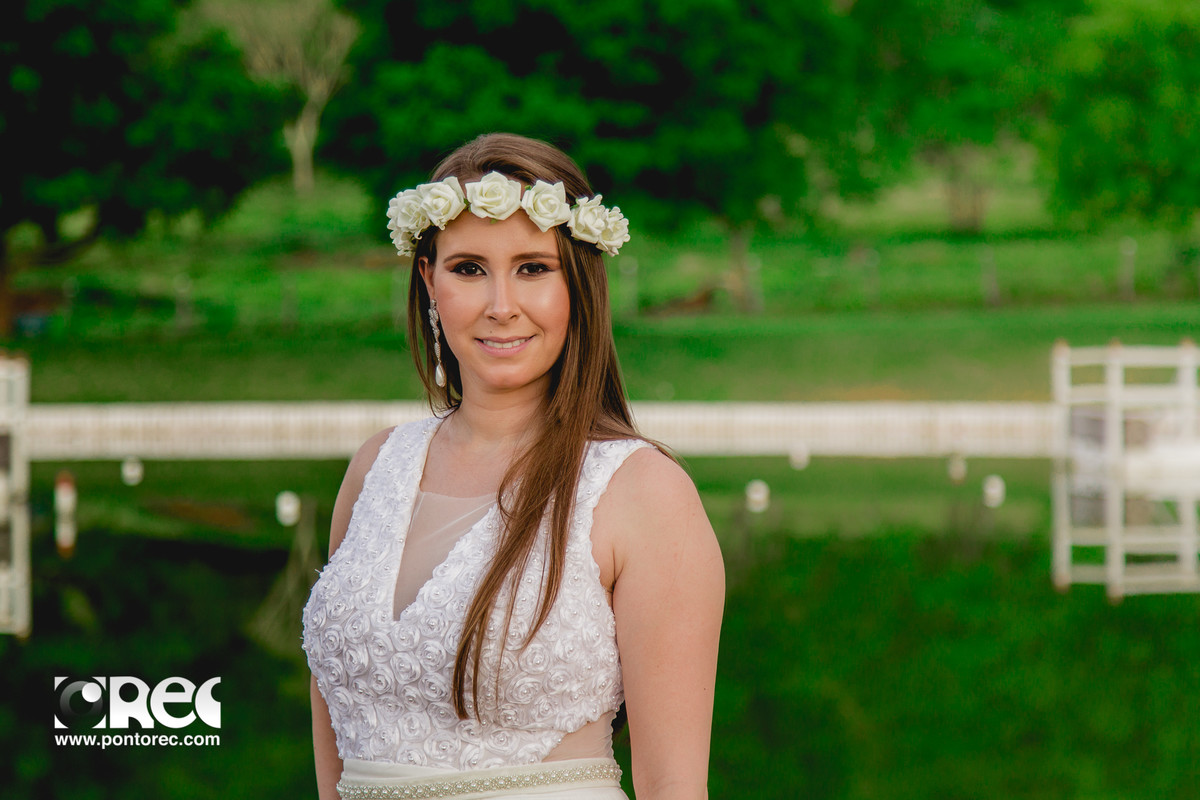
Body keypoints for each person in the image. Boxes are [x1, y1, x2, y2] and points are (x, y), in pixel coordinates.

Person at [302, 133, 725, 800]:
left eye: (533, 268)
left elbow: (673, 784)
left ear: (579, 285)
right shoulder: (375, 467)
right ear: (428, 280)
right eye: (469, 268)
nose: (502, 304)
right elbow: (333, 726)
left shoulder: (642, 492)